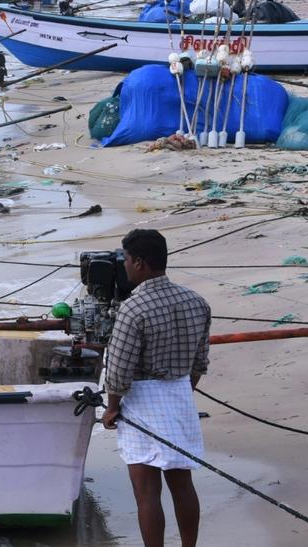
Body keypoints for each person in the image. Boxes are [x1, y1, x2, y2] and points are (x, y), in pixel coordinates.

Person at [102, 228, 211, 547]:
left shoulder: (133, 308)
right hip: (179, 395)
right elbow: (199, 362)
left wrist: (111, 408)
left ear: (139, 263)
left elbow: (119, 370)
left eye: (125, 259)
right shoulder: (196, 301)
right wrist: (181, 391)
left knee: (147, 492)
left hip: (142, 399)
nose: (123, 265)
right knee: (182, 485)